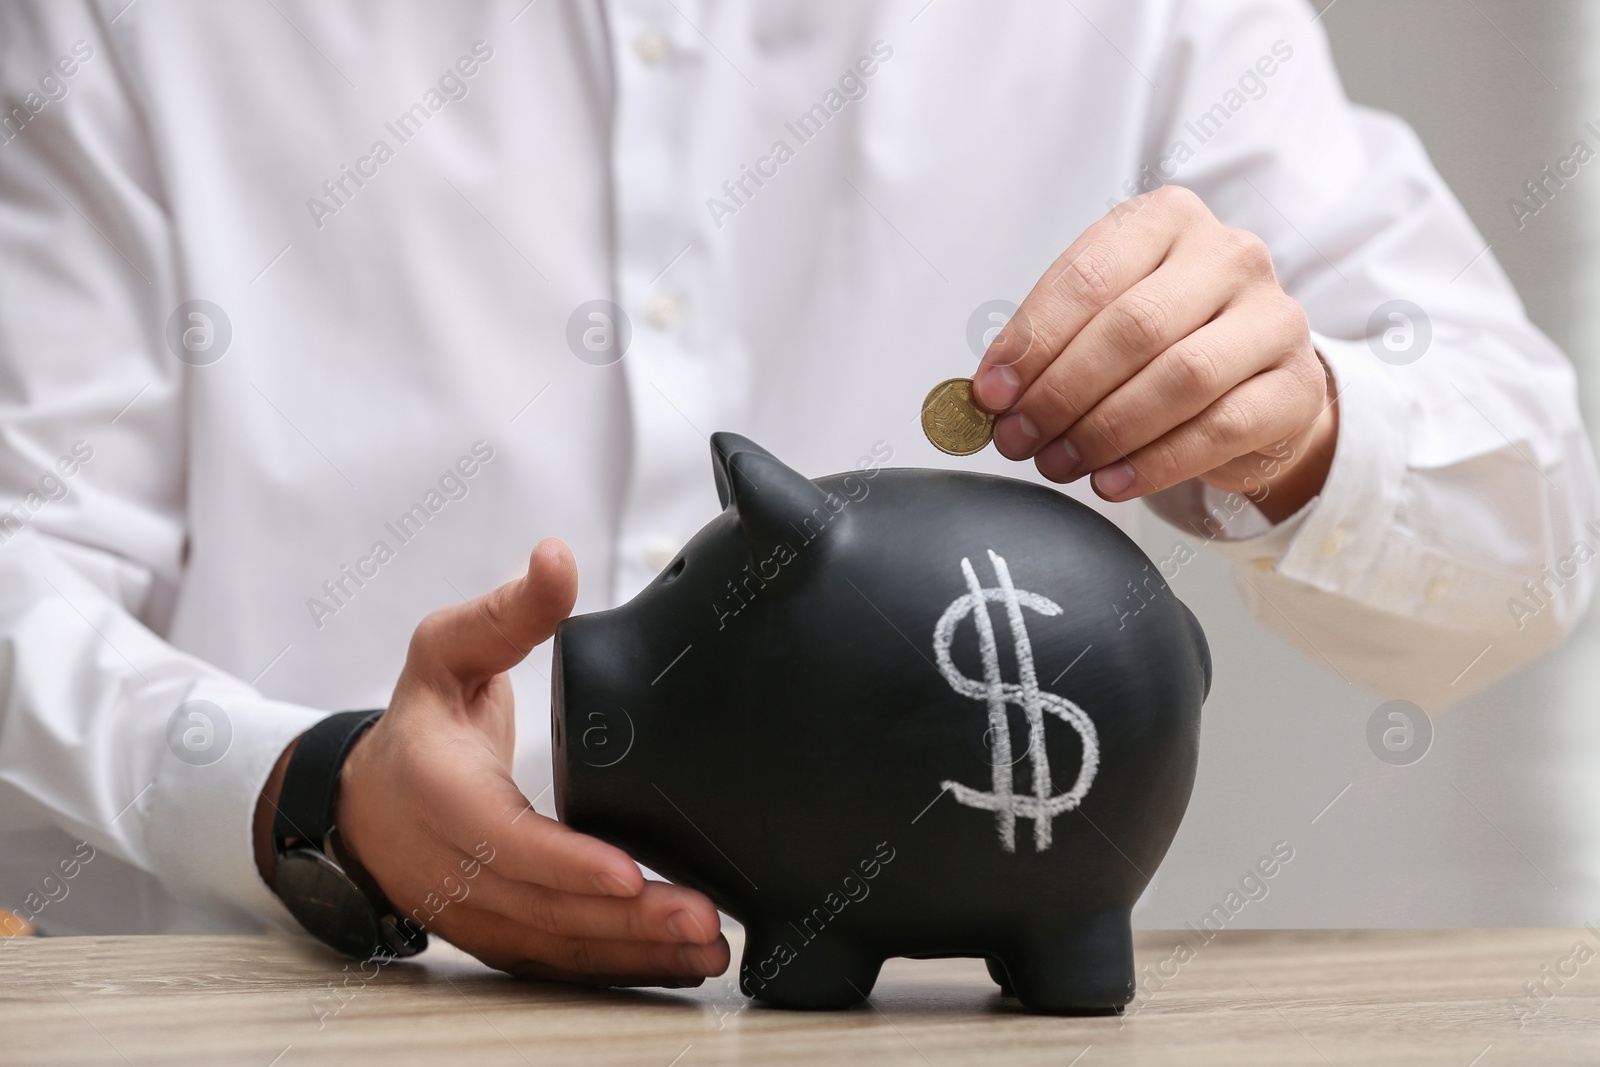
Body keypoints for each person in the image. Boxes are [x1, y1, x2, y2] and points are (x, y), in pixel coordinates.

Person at [1, 0, 1594, 987]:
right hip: (301, 1015)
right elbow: (24, 561)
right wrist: (310, 793)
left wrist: (1302, 423)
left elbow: (1532, 549)